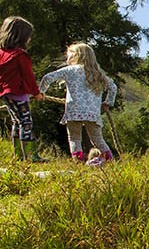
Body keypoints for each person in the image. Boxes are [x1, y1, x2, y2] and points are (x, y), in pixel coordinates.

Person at [39, 42, 117, 163]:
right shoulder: (98, 73)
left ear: (76, 56)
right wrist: (107, 103)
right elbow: (113, 87)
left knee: (74, 138)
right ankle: (110, 161)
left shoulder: (70, 70)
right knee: (98, 139)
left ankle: (78, 162)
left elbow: (47, 78)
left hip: (74, 111)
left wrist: (41, 92)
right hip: (93, 113)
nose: (67, 58)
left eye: (69, 55)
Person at [0, 16, 46, 162]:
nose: (29, 40)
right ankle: (31, 156)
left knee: (17, 122)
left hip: (5, 94)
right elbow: (29, 77)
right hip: (18, 93)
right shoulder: (20, 55)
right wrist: (37, 93)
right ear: (21, 37)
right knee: (26, 123)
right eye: (28, 37)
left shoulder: (2, 54)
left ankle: (18, 156)